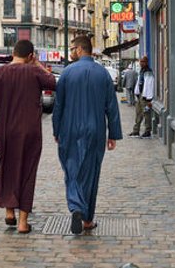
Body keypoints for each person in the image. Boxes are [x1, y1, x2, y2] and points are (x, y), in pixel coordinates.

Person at [0, 40, 56, 234]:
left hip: (4, 131)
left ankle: (9, 212)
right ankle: (22, 223)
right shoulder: (34, 72)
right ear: (30, 56)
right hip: (30, 131)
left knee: (7, 168)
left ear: (13, 52)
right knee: (28, 172)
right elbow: (54, 83)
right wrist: (37, 64)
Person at [52, 35, 123, 235]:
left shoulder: (67, 73)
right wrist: (113, 134)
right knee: (91, 173)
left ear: (81, 49)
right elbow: (112, 106)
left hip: (69, 129)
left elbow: (58, 106)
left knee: (72, 170)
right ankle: (87, 219)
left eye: (72, 48)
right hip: (95, 130)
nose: (71, 52)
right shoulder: (103, 74)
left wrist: (56, 130)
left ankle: (75, 206)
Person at [129, 56, 154, 137]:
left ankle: (147, 131)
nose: (141, 63)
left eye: (143, 62)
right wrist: (137, 93)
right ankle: (136, 130)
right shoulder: (141, 71)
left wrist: (149, 99)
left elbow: (149, 85)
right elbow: (139, 83)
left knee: (146, 114)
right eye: (140, 61)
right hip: (140, 95)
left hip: (145, 96)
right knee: (138, 113)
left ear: (146, 62)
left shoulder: (148, 72)